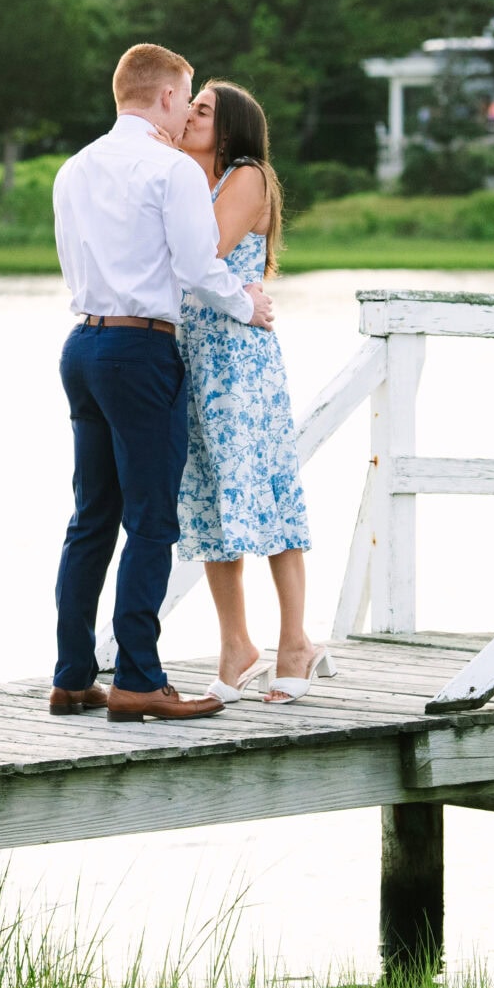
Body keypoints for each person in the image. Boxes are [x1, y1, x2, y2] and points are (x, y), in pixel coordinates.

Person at [49, 44, 275, 723]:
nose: (187, 112)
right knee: (152, 519)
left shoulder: (74, 168)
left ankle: (72, 675)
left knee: (91, 518)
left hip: (83, 344)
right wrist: (249, 303)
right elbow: (200, 263)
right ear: (169, 97)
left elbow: (70, 260)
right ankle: (140, 678)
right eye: (186, 97)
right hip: (141, 350)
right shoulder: (171, 170)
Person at [172, 81, 329, 703]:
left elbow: (199, 253)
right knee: (211, 501)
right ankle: (236, 645)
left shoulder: (246, 175)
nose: (188, 115)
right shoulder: (189, 182)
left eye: (202, 110)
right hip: (196, 359)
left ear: (230, 128)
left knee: (264, 491)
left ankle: (296, 643)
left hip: (238, 363)